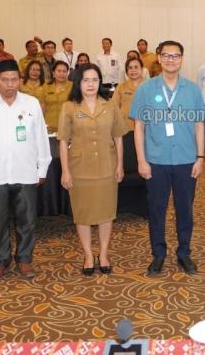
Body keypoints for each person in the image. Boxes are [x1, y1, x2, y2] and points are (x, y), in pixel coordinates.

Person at [0, 59, 52, 281]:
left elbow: (41, 138)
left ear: (20, 81)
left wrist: (42, 167)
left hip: (25, 172)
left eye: (14, 79)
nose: (10, 84)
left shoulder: (32, 103)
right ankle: (0, 261)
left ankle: (24, 260)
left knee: (26, 220)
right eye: (4, 80)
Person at [129, 40, 205, 277]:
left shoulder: (192, 89)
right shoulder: (145, 89)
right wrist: (141, 160)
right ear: (159, 59)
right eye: (167, 55)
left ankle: (184, 253)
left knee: (185, 209)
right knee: (157, 209)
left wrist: (201, 157)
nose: (171, 59)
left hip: (185, 159)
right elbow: (139, 128)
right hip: (156, 160)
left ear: (182, 59)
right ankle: (158, 254)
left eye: (176, 56)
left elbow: (199, 125)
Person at [59, 64, 125, 275]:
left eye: (94, 80)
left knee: (106, 212)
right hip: (80, 169)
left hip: (107, 165)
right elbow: (62, 141)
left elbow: (118, 137)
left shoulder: (110, 105)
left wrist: (120, 165)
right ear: (78, 83)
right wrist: (65, 171)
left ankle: (104, 253)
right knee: (83, 213)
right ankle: (88, 254)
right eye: (85, 80)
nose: (90, 84)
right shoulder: (69, 107)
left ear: (100, 82)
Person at [112, 57, 146, 132]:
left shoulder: (150, 86)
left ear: (142, 69)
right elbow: (114, 107)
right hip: (125, 128)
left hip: (146, 128)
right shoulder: (121, 87)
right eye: (130, 68)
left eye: (136, 67)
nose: (133, 70)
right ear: (126, 71)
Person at [43, 61, 72, 133]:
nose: (61, 74)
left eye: (64, 71)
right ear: (53, 73)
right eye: (59, 71)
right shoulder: (46, 86)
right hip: (49, 128)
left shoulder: (73, 86)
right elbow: (43, 106)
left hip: (67, 127)